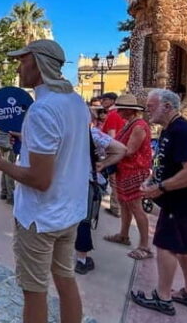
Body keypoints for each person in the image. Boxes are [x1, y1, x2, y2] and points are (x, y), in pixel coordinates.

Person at [0, 40, 90, 323]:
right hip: (69, 213)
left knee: (35, 292)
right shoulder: (76, 102)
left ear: (37, 63)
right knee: (66, 280)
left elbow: (40, 179)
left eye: (22, 60)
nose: (18, 67)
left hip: (40, 218)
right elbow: (65, 148)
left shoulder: (42, 109)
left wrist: (0, 163)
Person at [131, 89, 187, 316]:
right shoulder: (172, 130)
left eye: (151, 105)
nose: (147, 110)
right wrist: (152, 179)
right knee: (184, 248)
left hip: (185, 203)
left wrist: (160, 188)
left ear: (167, 107)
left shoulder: (182, 132)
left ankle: (163, 297)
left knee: (167, 246)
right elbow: (169, 164)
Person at [103, 94, 153, 261]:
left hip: (135, 171)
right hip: (125, 170)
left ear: (128, 110)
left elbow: (129, 150)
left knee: (135, 206)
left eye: (120, 109)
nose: (118, 112)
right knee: (125, 204)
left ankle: (144, 246)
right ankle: (123, 235)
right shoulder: (130, 125)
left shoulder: (138, 126)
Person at [76, 127, 126, 275]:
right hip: (86, 181)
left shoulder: (58, 129)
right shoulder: (91, 133)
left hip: (63, 181)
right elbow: (121, 149)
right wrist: (103, 164)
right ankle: (81, 260)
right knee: (83, 220)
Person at [100, 92, 125, 218]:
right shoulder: (120, 114)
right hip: (122, 152)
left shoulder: (112, 115)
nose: (102, 101)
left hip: (114, 153)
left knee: (114, 181)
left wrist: (107, 156)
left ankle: (116, 208)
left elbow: (111, 137)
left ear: (112, 101)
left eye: (104, 99)